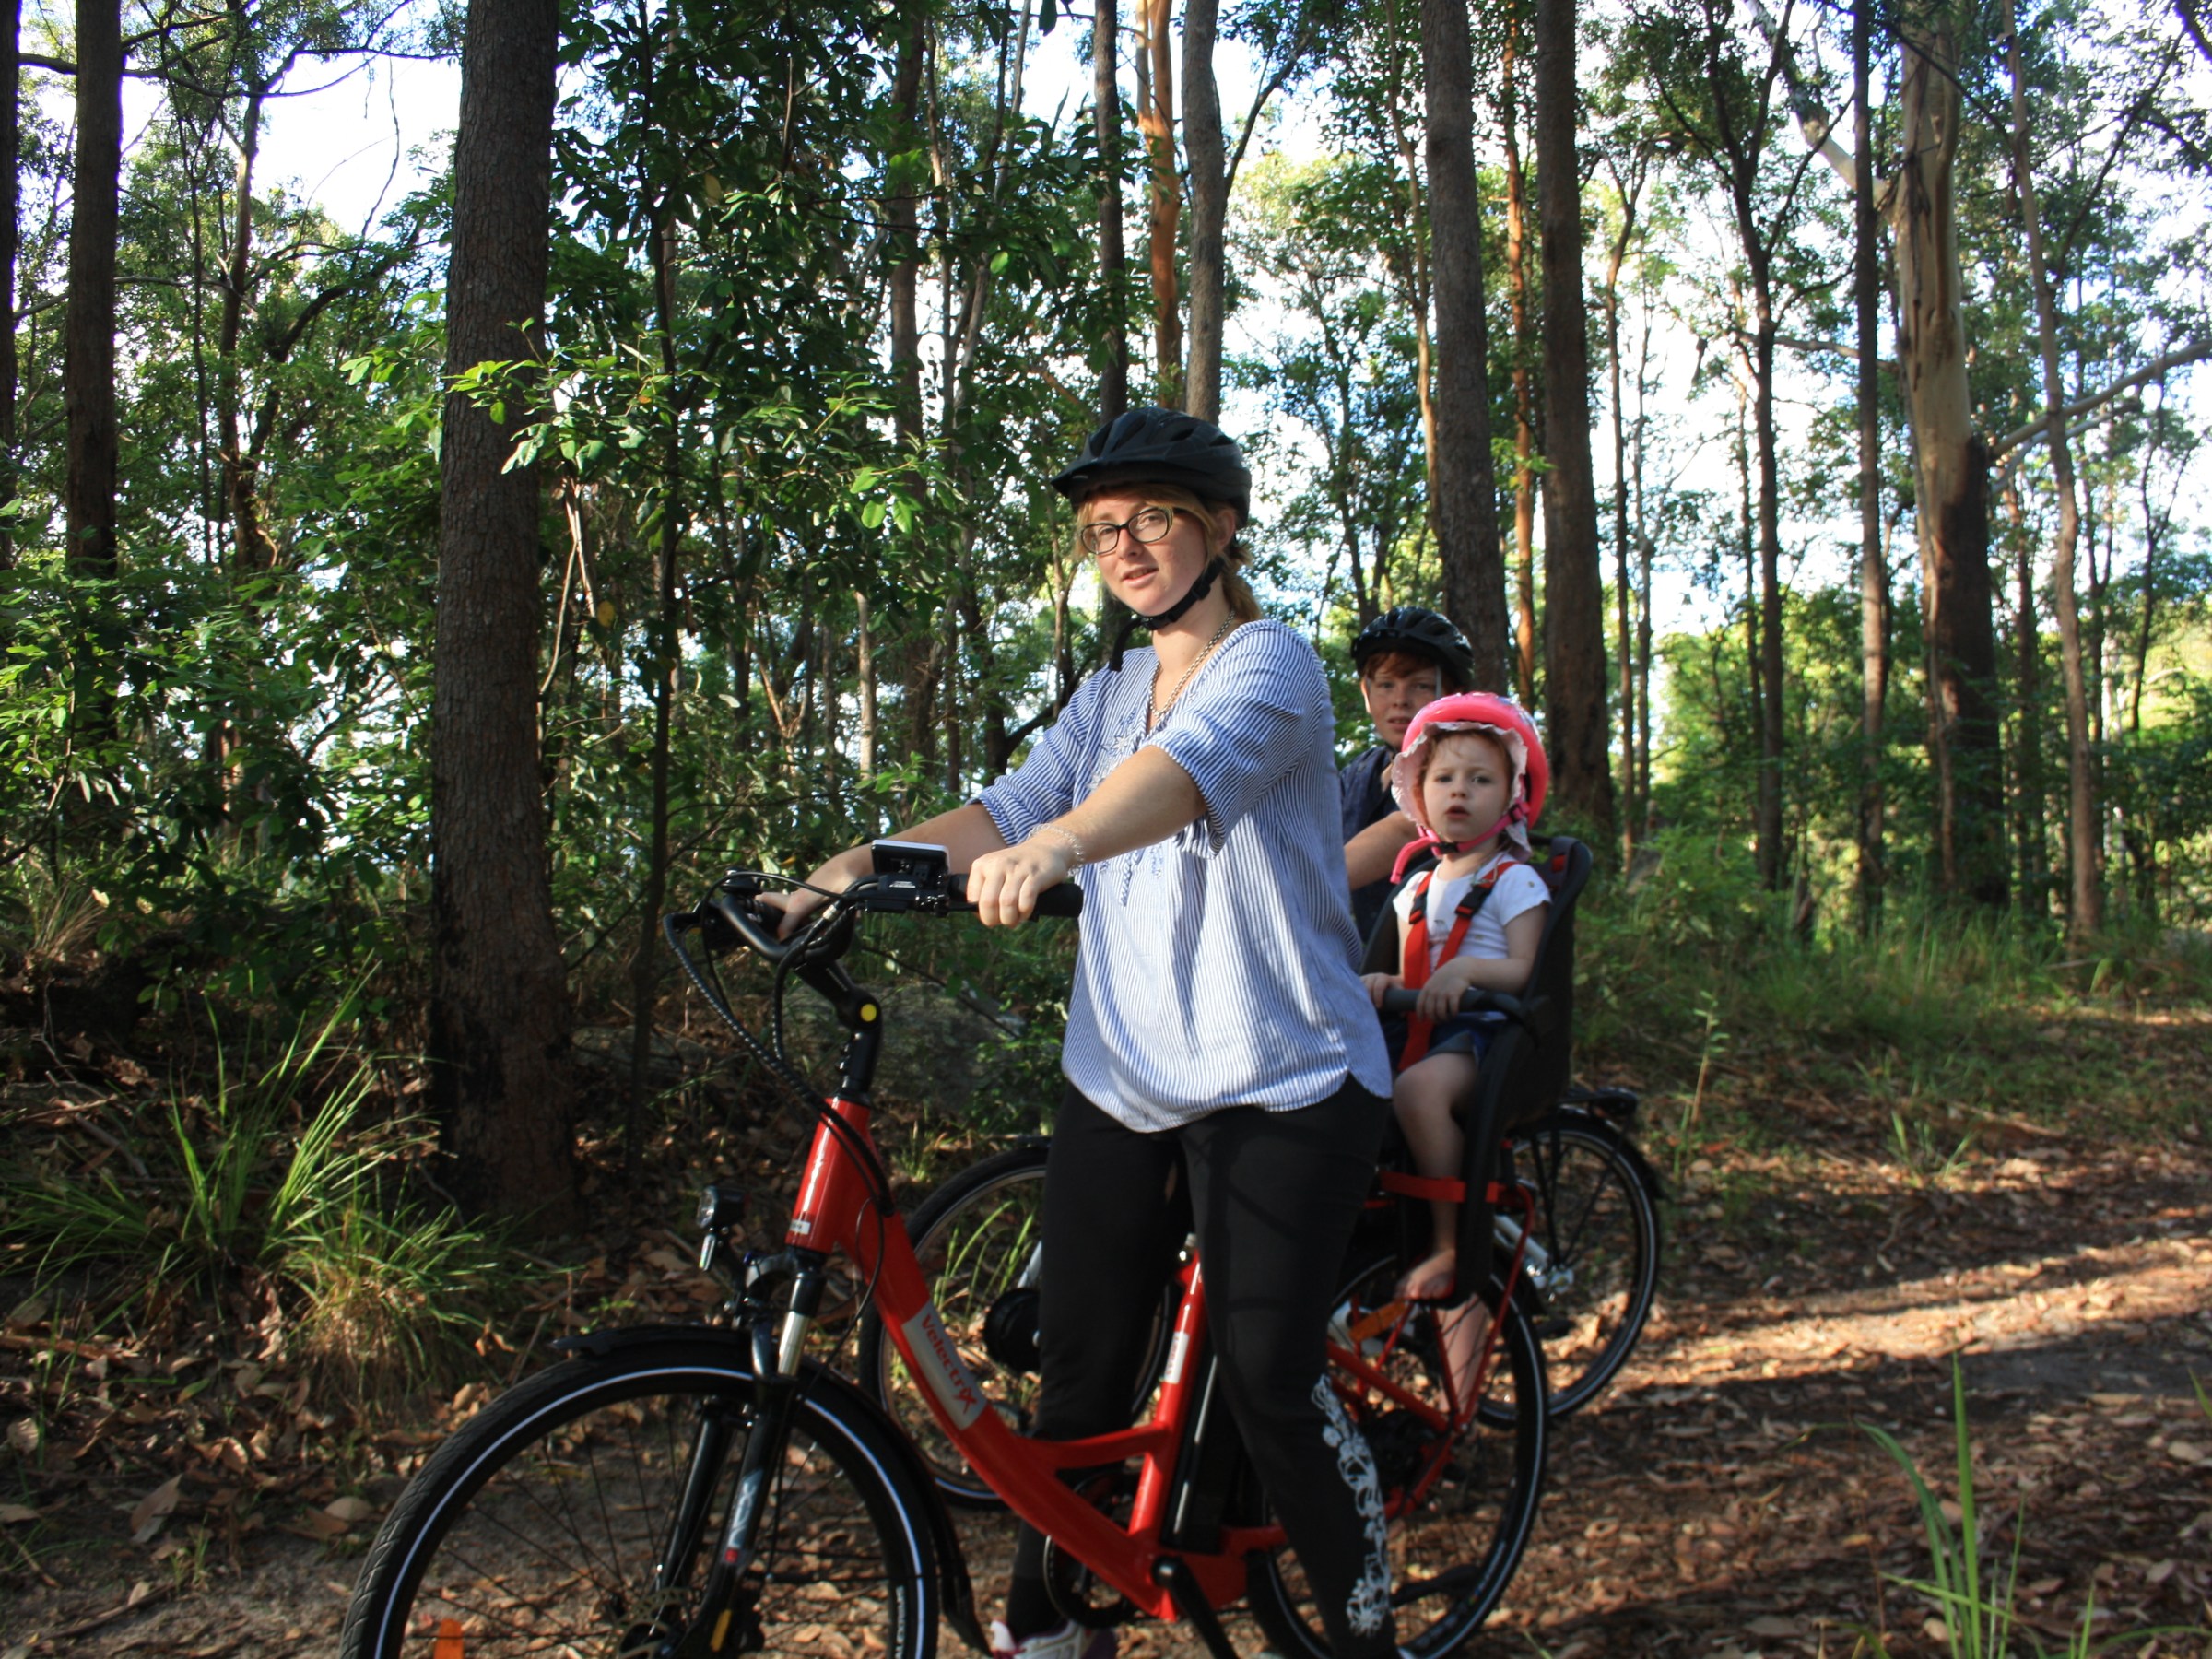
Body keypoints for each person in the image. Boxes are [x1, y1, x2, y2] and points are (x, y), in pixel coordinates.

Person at [773, 409, 1399, 1659]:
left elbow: (1170, 777)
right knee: (1077, 1372)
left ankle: (1366, 1625)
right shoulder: (1107, 689)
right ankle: (1050, 1629)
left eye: (1151, 518)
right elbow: (1010, 802)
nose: (1124, 545)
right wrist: (842, 870)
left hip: (1283, 1079)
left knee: (1273, 1377)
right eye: (1102, 529)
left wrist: (1056, 849)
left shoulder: (1272, 666)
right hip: (1123, 1079)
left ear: (1220, 528)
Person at [1360, 694, 1551, 1315]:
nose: (1459, 791)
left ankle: (1451, 1243)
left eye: (1480, 779)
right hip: (1419, 1027)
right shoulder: (1416, 883)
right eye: (1443, 778)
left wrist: (1470, 971)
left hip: (1485, 1034)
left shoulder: (1514, 878)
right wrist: (1383, 982)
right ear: (1421, 794)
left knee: (1416, 1091)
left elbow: (1525, 970)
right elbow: (1407, 961)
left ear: (1511, 796)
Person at [1340, 608, 1476, 945]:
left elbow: (1407, 827)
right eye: (1386, 685)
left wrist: (1298, 885)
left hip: (1447, 968)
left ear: (1453, 693)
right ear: (1366, 693)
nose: (1400, 700)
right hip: (1369, 969)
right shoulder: (1360, 772)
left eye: (1420, 686)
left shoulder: (1468, 764)